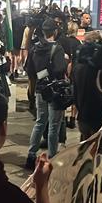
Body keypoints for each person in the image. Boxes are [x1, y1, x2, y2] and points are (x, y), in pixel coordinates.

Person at [25, 19, 67, 169]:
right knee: (53, 126)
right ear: (55, 31)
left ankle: (31, 155)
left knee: (40, 121)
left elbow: (29, 69)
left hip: (40, 88)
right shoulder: (57, 49)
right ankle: (52, 158)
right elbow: (59, 70)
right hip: (54, 91)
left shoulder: (35, 48)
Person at [73, 31, 102, 140]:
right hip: (98, 118)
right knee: (96, 150)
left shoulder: (78, 67)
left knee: (84, 148)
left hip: (82, 116)